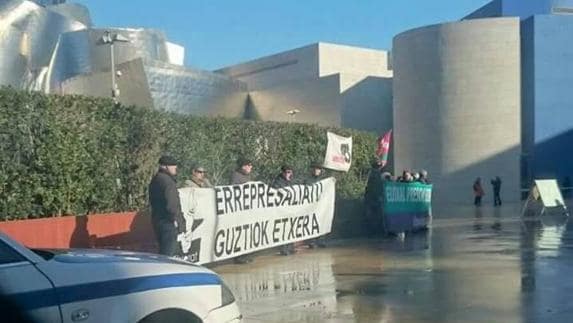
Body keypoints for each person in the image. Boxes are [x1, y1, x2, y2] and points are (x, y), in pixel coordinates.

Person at [148, 155, 186, 256]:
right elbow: (172, 205)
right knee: (168, 255)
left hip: (158, 220)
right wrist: (180, 223)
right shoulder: (168, 182)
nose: (175, 167)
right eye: (172, 165)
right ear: (165, 167)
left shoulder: (156, 179)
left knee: (164, 252)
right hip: (168, 222)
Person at [231, 157, 255, 264]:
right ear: (243, 166)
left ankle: (246, 254)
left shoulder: (247, 176)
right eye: (249, 165)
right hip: (240, 210)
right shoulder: (236, 176)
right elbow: (234, 191)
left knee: (247, 232)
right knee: (240, 233)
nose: (251, 167)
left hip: (248, 209)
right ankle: (239, 256)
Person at [272, 165, 296, 255]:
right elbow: (275, 192)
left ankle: (290, 247)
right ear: (282, 173)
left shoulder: (291, 181)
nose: (288, 174)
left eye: (290, 172)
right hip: (282, 210)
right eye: (286, 172)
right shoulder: (278, 181)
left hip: (290, 209)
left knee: (291, 228)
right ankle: (284, 249)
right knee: (284, 229)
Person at [304, 161, 326, 248]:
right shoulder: (308, 180)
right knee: (311, 222)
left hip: (320, 205)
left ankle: (320, 240)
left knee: (321, 222)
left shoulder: (323, 180)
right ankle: (312, 241)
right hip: (311, 205)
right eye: (316, 169)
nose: (317, 170)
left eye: (319, 169)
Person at [364, 159, 386, 237]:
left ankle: (373, 231)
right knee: (376, 215)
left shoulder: (372, 173)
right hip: (374, 198)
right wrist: (380, 195)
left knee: (372, 215)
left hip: (371, 197)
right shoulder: (375, 174)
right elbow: (377, 187)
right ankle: (375, 232)